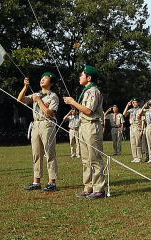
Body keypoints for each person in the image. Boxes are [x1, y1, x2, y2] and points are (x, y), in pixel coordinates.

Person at [64, 65, 106, 199]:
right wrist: (73, 104)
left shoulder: (93, 91)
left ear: (88, 78)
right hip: (83, 126)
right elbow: (83, 109)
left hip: (92, 126)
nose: (79, 77)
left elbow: (89, 111)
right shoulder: (86, 91)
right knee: (86, 159)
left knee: (95, 159)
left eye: (82, 75)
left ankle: (99, 188)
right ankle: (88, 187)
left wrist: (73, 101)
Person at [18, 72, 59, 192]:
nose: (42, 80)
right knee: (36, 154)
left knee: (49, 153)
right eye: (41, 78)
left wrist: (39, 101)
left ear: (51, 83)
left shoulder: (53, 96)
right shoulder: (36, 94)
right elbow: (20, 99)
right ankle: (36, 181)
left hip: (47, 124)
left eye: (45, 78)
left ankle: (52, 182)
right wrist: (25, 87)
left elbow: (50, 113)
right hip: (36, 124)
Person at [123, 98, 143, 163]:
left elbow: (142, 120)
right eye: (133, 102)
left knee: (138, 142)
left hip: (137, 126)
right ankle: (135, 157)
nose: (134, 104)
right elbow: (124, 114)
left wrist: (142, 130)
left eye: (135, 102)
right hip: (132, 126)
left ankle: (139, 157)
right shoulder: (131, 110)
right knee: (133, 143)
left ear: (138, 103)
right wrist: (127, 105)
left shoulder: (140, 110)